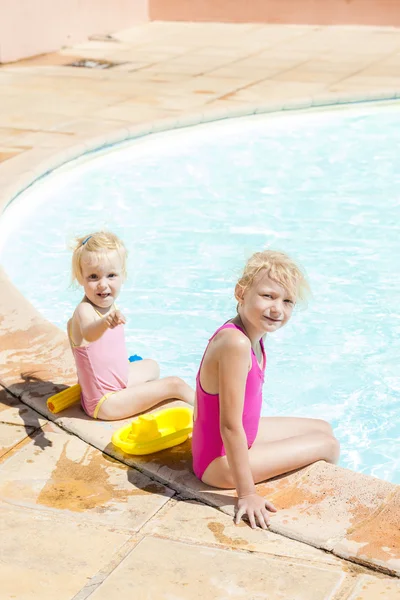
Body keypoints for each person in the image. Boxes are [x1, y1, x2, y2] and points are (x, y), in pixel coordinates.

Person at [192, 250, 340, 529]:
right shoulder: (235, 344)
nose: (277, 309)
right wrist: (247, 494)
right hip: (216, 462)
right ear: (241, 293)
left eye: (287, 301)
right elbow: (229, 426)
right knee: (329, 447)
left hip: (239, 440)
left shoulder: (252, 335)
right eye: (268, 296)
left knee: (323, 428)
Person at [68, 231, 194, 420]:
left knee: (152, 366)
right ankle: (214, 414)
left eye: (111, 275)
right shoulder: (84, 311)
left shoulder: (109, 304)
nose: (103, 285)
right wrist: (104, 323)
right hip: (105, 403)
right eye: (93, 277)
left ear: (122, 276)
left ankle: (140, 391)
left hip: (119, 382)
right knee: (174, 384)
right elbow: (89, 333)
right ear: (80, 278)